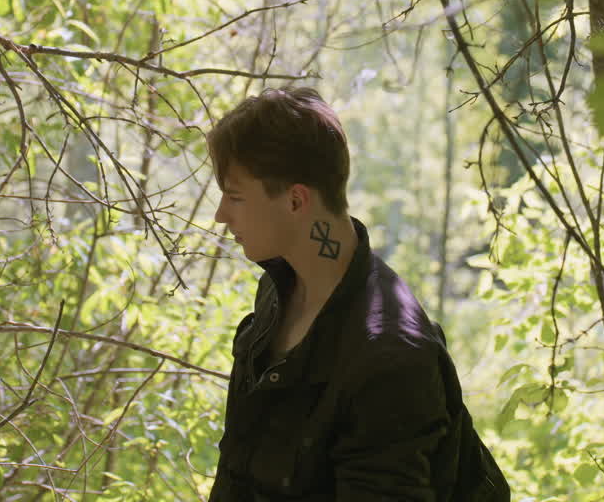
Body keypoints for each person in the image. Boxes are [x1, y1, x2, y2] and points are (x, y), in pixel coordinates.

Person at [206, 87, 509, 502]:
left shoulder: (390, 358)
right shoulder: (278, 290)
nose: (222, 215)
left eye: (235, 197)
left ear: (296, 201)